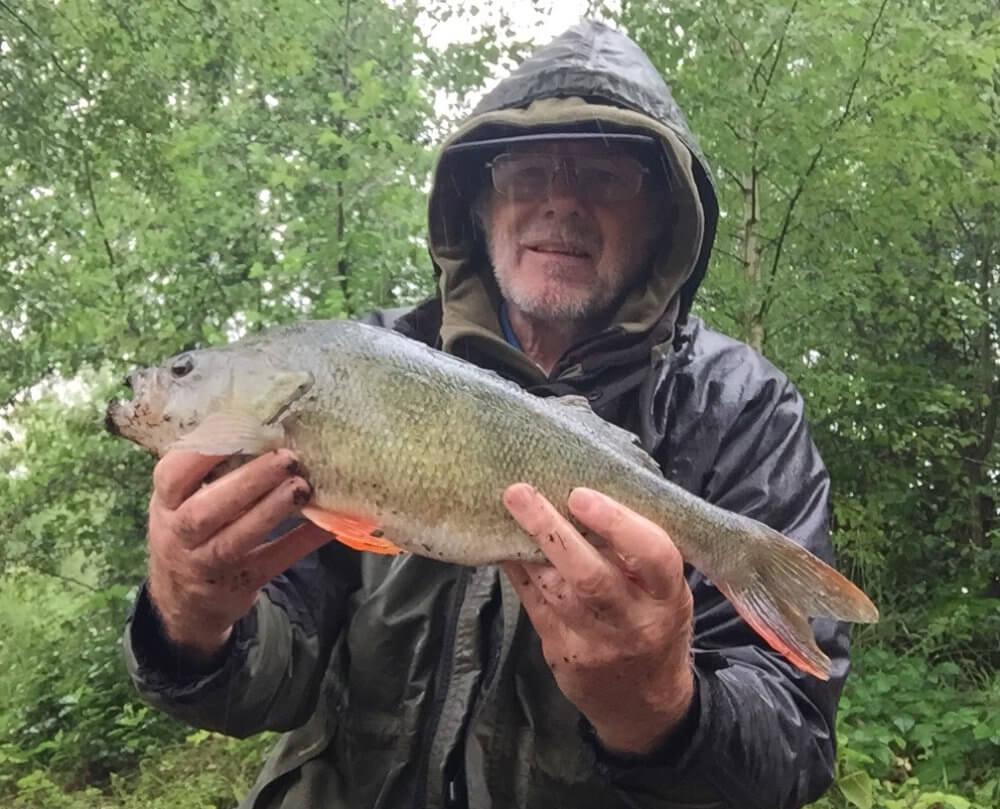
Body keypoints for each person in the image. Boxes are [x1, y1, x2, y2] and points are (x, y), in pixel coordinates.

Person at [124, 19, 850, 809]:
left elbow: (792, 749)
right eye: (527, 170)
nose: (560, 204)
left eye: (605, 176)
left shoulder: (744, 407)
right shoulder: (358, 360)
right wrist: (187, 623)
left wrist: (662, 712)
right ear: (478, 199)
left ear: (664, 219)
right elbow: (268, 684)